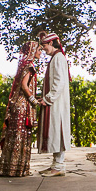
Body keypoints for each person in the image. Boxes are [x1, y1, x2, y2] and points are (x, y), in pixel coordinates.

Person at [0, 41, 42, 177]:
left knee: (15, 136)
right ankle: (17, 169)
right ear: (32, 51)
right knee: (20, 136)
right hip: (23, 106)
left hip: (18, 105)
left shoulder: (24, 65)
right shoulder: (29, 66)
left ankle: (8, 168)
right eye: (39, 50)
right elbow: (24, 85)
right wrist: (34, 100)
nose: (40, 52)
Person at [38, 31, 72, 177]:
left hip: (56, 103)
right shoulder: (56, 57)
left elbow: (59, 82)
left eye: (44, 45)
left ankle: (58, 166)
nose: (43, 49)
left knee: (58, 132)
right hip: (55, 102)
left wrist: (48, 98)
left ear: (51, 43)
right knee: (55, 132)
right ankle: (56, 164)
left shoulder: (58, 58)